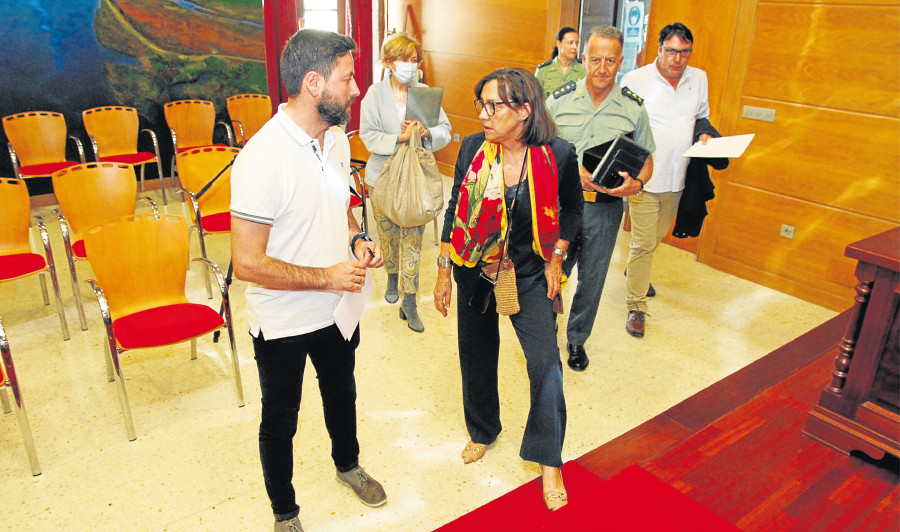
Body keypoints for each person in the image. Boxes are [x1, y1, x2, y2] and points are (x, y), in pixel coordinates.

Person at [230, 29, 387, 532]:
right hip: (283, 320)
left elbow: (336, 209)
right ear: (314, 83)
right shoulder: (261, 158)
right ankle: (285, 513)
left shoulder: (336, 140)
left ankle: (348, 465)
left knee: (342, 393)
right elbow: (247, 263)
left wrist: (357, 240)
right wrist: (325, 276)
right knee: (280, 420)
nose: (357, 88)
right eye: (348, 78)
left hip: (337, 307)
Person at [432, 68, 583, 511]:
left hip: (532, 271)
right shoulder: (473, 148)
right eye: (481, 103)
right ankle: (482, 430)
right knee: (476, 353)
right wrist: (443, 270)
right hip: (476, 265)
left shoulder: (557, 154)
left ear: (524, 110)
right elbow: (456, 207)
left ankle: (548, 458)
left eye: (493, 106)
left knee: (545, 365)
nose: (483, 113)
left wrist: (557, 256)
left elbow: (573, 210)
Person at [545, 26, 655, 371]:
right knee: (551, 269)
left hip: (605, 209)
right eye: (595, 59)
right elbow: (538, 149)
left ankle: (577, 340)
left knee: (592, 280)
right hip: (562, 204)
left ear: (620, 62)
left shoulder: (633, 109)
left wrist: (635, 185)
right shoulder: (559, 101)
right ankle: (544, 329)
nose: (602, 68)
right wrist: (567, 170)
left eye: (610, 60)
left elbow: (647, 158)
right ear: (584, 59)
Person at [619, 22, 720, 338]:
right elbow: (621, 124)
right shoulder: (636, 79)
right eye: (672, 51)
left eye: (685, 52)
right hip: (644, 178)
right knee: (644, 241)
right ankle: (636, 305)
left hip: (679, 176)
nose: (678, 58)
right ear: (660, 49)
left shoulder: (698, 79)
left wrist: (704, 132)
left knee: (657, 235)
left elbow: (700, 116)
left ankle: (638, 267)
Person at [359, 33, 452, 333]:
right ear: (388, 62)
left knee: (413, 241)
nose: (410, 66)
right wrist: (398, 137)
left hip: (415, 179)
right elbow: (368, 135)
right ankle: (390, 274)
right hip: (381, 177)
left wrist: (425, 133)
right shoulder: (374, 94)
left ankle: (409, 300)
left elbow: (446, 130)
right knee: (387, 236)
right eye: (403, 59)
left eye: (414, 60)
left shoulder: (424, 92)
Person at [535, 27, 585, 96]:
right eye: (570, 43)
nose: (575, 47)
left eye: (577, 43)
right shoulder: (544, 70)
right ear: (559, 43)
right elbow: (535, 99)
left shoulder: (583, 70)